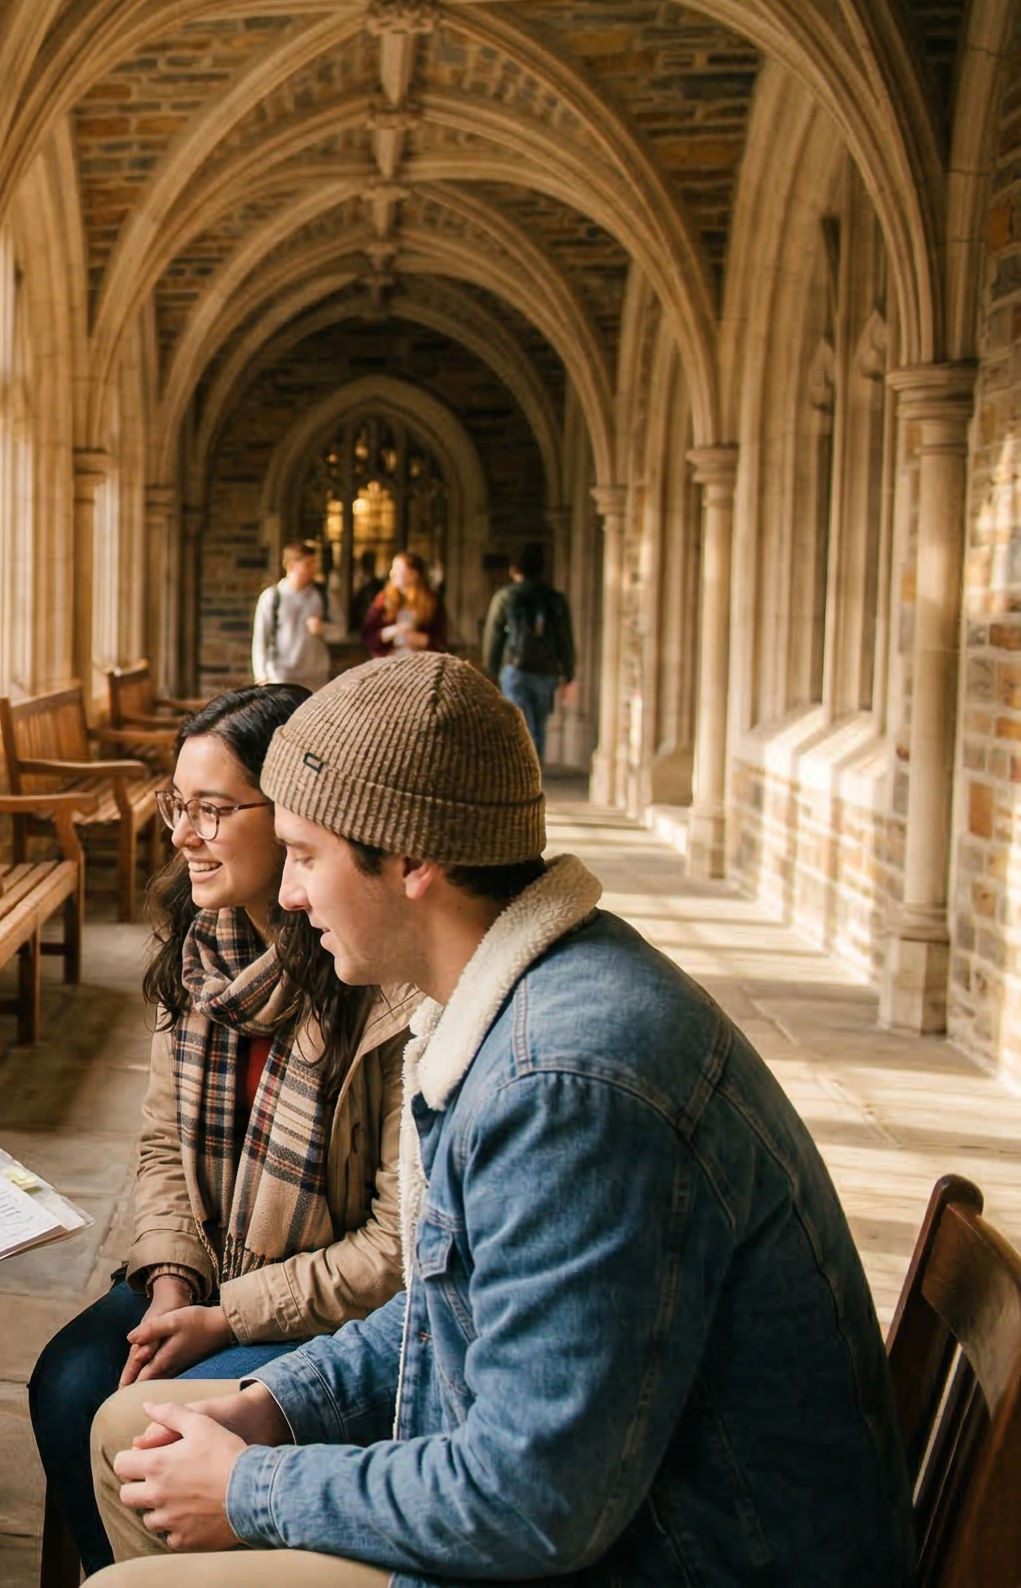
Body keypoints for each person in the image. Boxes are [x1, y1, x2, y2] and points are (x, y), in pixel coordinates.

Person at [89, 654, 914, 1586]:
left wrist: (254, 1488)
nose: (287, 893)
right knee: (135, 1432)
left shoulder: (567, 1084)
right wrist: (282, 1400)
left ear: (411, 860)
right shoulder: (505, 1001)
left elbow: (535, 1499)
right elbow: (458, 1313)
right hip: (598, 1512)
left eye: (308, 856)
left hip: (675, 1553)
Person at [26, 684, 416, 1578]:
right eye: (178, 805)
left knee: (151, 1422)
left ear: (292, 819)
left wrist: (226, 1315)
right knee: (67, 1384)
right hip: (208, 1266)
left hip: (318, 1303)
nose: (182, 835)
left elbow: (389, 1253)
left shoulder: (379, 984)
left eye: (211, 810)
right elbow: (162, 1146)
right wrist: (170, 1281)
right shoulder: (199, 943)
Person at [482, 542, 575, 756]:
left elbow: (494, 637)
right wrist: (568, 673)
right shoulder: (555, 599)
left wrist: (490, 673)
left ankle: (521, 776)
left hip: (516, 669)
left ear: (514, 568)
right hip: (546, 670)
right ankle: (535, 776)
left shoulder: (506, 597)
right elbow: (564, 638)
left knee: (519, 725)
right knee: (538, 727)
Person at [249, 544, 331, 691]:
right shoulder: (273, 597)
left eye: (314, 564)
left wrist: (323, 629)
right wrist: (261, 675)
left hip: (315, 675)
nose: (313, 569)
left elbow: (340, 628)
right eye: (308, 564)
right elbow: (261, 639)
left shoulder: (322, 595)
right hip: (281, 675)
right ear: (291, 565)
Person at [356, 551, 442, 659]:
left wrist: (422, 640)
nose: (392, 573)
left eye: (398, 569)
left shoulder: (431, 601)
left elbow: (441, 640)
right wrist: (391, 632)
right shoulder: (383, 599)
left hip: (421, 663)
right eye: (392, 568)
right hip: (389, 661)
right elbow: (368, 635)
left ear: (414, 574)